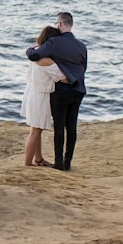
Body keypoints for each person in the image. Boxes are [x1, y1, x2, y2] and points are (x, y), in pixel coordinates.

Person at [26, 12, 88, 171]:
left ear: (60, 24)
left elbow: (34, 55)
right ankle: (68, 162)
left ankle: (59, 163)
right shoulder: (82, 46)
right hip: (78, 90)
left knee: (59, 127)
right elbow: (83, 68)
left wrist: (30, 48)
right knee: (72, 126)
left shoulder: (54, 42)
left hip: (62, 91)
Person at [21, 25, 67, 167]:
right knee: (35, 131)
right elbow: (63, 78)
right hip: (40, 96)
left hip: (32, 91)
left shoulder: (35, 52)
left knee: (36, 129)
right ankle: (28, 164)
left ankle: (38, 159)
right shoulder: (47, 61)